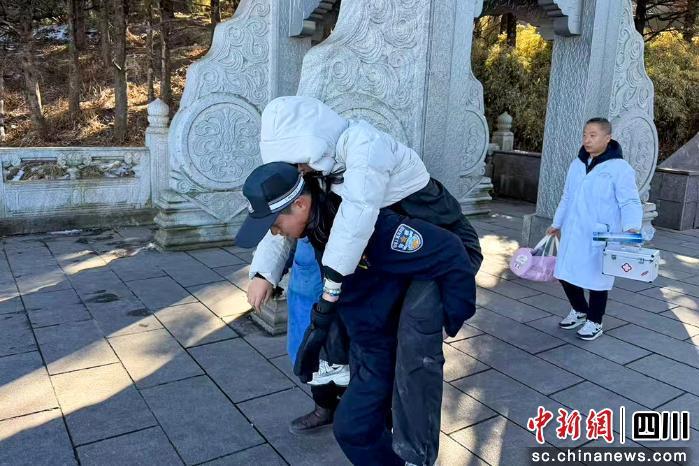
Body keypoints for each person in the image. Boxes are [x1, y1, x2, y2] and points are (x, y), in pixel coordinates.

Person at [243, 96, 482, 435]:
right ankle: (364, 413)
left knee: (414, 340)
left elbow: (356, 216)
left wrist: (332, 287)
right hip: (390, 255)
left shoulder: (364, 146)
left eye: (294, 164)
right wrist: (264, 272)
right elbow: (281, 214)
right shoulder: (314, 165)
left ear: (307, 142)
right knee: (367, 333)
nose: (295, 173)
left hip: (440, 245)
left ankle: (413, 444)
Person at [547, 118, 643, 341]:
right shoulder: (577, 164)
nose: (587, 140)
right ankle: (579, 309)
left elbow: (629, 201)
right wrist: (556, 223)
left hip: (600, 233)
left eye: (593, 135)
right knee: (564, 273)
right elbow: (567, 196)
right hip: (573, 229)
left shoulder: (620, 168)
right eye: (585, 135)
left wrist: (632, 228)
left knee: (597, 279)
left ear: (607, 138)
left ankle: (595, 321)